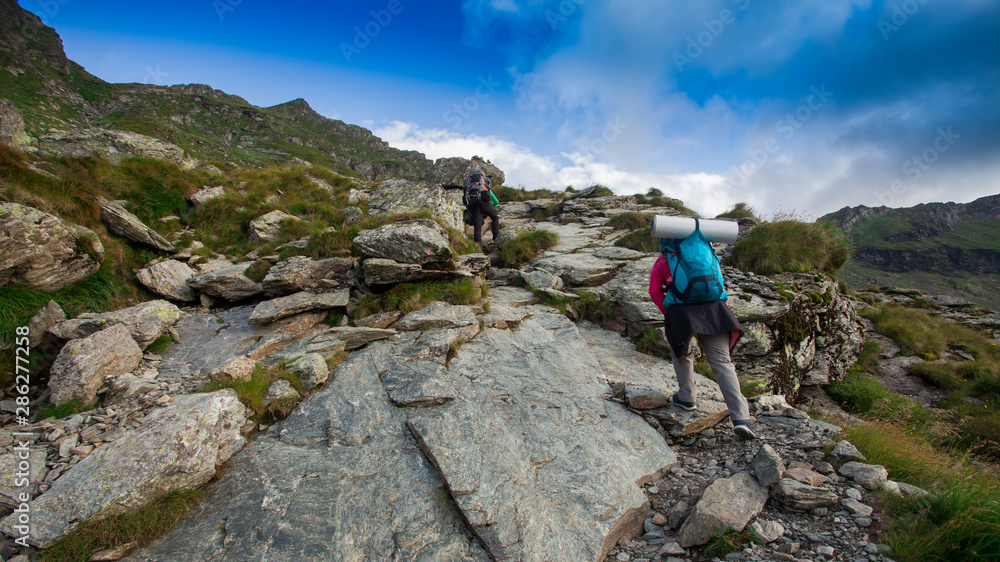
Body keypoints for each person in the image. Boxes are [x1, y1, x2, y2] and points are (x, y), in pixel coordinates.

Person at [648, 237, 757, 440]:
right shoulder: (706, 253)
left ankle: (687, 397)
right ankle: (741, 418)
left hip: (682, 313)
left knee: (682, 352)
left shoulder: (665, 259)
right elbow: (719, 285)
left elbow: (654, 290)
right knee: (722, 362)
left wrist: (669, 312)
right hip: (715, 311)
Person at [463, 169, 500, 245]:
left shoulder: (468, 186)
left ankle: (478, 246)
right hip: (485, 203)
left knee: (477, 227)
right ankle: (496, 238)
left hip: (474, 206)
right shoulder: (484, 186)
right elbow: (496, 201)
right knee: (495, 217)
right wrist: (489, 210)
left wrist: (469, 209)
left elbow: (465, 201)